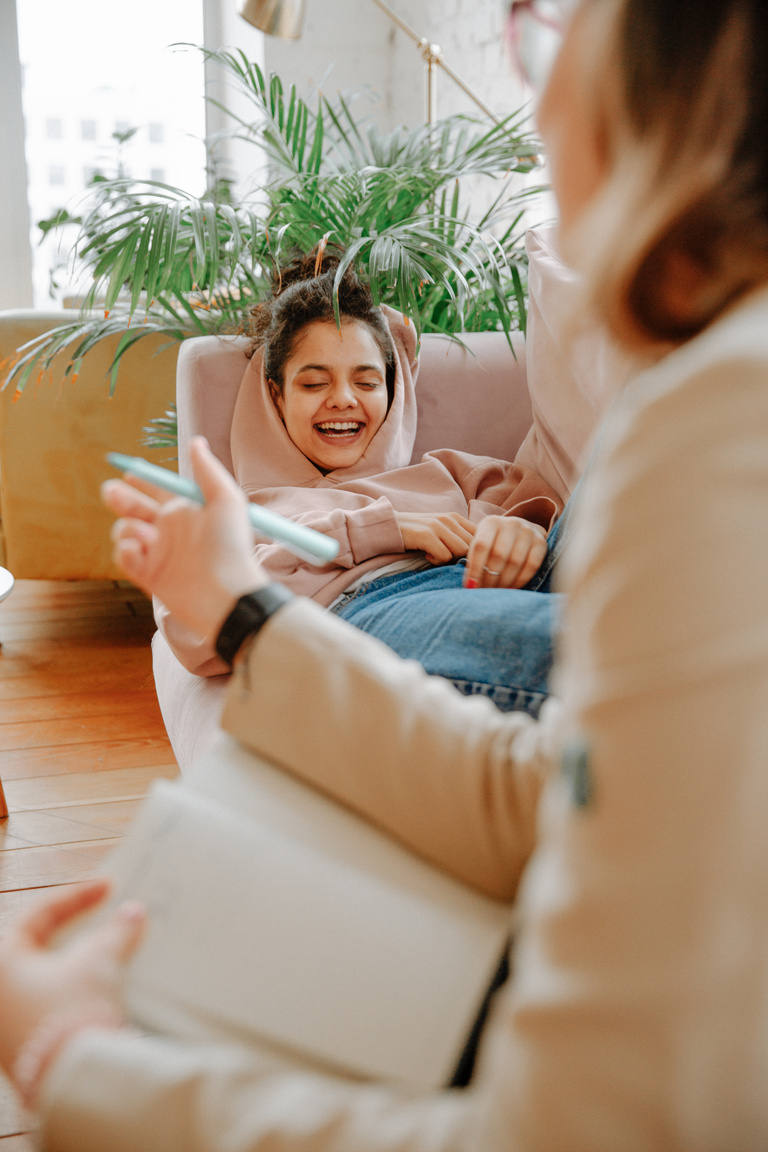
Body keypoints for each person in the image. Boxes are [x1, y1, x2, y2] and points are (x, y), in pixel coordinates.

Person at [2, 0, 768, 1147]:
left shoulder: (702, 425)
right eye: (309, 383)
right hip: (402, 608)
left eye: (547, 29)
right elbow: (566, 783)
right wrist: (255, 601)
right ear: (267, 395)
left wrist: (70, 1058)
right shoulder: (251, 508)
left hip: (509, 576)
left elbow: (575, 1123)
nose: (536, 99)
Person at [157, 248, 565, 716]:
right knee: (590, 642)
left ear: (391, 389)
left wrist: (522, 529)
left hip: (520, 580)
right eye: (314, 384)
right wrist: (380, 530)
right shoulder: (250, 512)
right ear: (277, 394)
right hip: (381, 606)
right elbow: (190, 628)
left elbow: (554, 511)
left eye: (367, 382)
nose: (343, 399)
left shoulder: (449, 470)